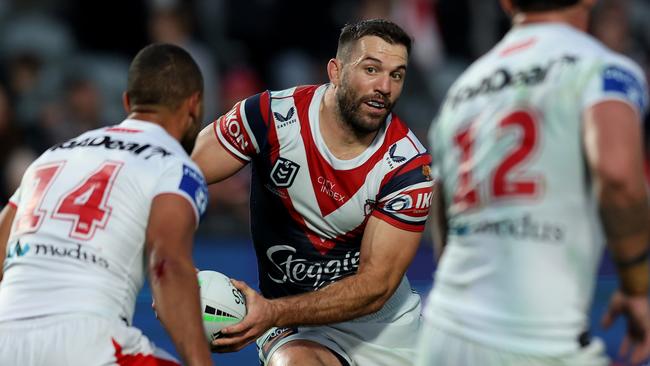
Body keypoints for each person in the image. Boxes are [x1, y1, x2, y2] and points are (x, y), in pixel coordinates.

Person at [417, 0, 650, 365]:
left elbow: (444, 213)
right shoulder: (603, 68)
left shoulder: (462, 89)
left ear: (507, 3)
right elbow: (619, 177)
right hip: (536, 339)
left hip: (442, 330)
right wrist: (637, 287)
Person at [192, 19, 433, 366]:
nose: (384, 86)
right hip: (295, 327)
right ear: (335, 70)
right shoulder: (269, 118)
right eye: (371, 69)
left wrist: (272, 311)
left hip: (386, 331)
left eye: (397, 75)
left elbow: (375, 288)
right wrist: (167, 270)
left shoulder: (407, 166)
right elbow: (177, 175)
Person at [0, 43, 213, 366]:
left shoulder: (51, 156)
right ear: (194, 105)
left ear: (128, 102)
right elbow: (167, 264)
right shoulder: (175, 166)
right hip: (88, 341)